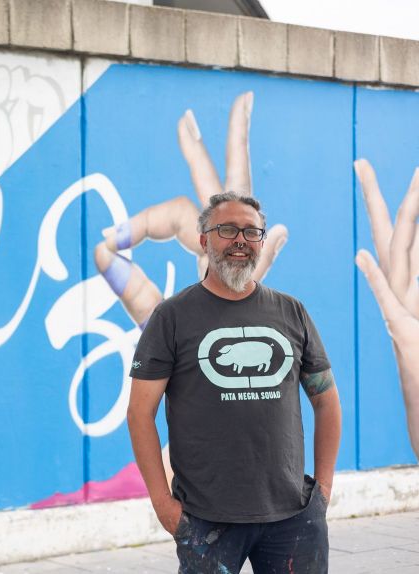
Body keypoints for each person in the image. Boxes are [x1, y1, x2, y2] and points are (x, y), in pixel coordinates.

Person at [127, 192, 342, 573]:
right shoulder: (172, 317)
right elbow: (140, 413)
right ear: (204, 239)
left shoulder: (291, 311)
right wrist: (164, 505)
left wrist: (322, 492)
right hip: (205, 519)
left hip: (293, 517)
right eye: (227, 230)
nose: (240, 240)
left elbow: (326, 400)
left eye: (251, 231)